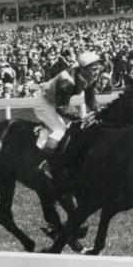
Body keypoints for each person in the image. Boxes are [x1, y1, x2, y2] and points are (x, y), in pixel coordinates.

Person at [35, 51, 103, 179]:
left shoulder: (92, 75)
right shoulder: (67, 81)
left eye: (98, 67)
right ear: (83, 69)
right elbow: (61, 108)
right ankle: (46, 163)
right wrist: (80, 116)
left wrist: (99, 111)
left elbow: (90, 99)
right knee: (60, 130)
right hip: (45, 101)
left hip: (57, 100)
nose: (96, 71)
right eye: (93, 69)